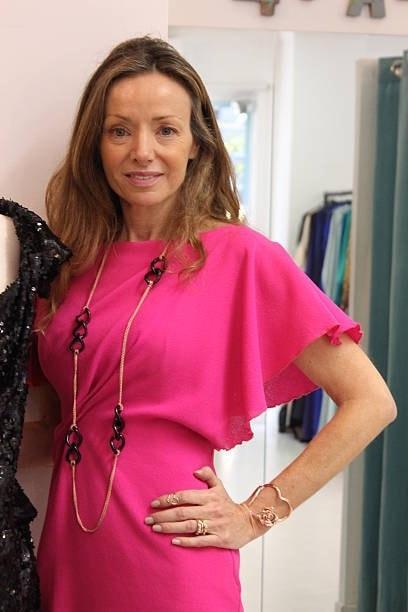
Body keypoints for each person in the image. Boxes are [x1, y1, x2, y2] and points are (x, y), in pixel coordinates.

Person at [26, 36, 397, 612]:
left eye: (165, 130)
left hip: (173, 558)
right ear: (95, 144)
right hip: (70, 550)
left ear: (196, 143)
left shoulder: (242, 256)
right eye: (120, 130)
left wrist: (256, 514)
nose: (142, 152)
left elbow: (372, 402)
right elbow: (55, 419)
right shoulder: (69, 266)